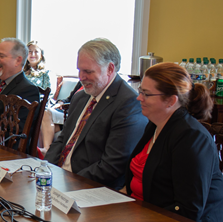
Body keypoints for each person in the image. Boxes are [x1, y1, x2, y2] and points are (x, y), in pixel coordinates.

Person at [125, 63, 223, 222]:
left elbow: (188, 209)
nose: (139, 98)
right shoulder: (154, 124)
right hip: (146, 219)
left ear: (171, 100)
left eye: (146, 94)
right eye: (140, 91)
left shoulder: (191, 137)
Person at [45, 38, 147, 189]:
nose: (81, 77)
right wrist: (46, 169)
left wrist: (68, 182)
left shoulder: (129, 104)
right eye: (79, 70)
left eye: (88, 71)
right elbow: (63, 139)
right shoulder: (81, 97)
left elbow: (113, 165)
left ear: (110, 69)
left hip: (90, 186)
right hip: (60, 180)